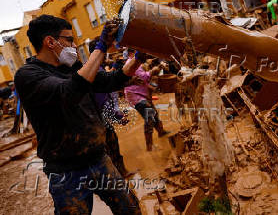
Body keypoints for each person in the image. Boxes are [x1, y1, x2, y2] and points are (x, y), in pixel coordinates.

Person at [14, 15, 146, 215]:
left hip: (99, 159)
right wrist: (101, 46)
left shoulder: (72, 67)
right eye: (69, 39)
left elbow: (112, 80)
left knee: (131, 210)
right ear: (50, 41)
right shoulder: (28, 75)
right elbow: (69, 91)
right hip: (65, 171)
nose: (74, 45)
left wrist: (138, 58)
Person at [88, 38, 133, 179]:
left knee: (113, 148)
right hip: (100, 122)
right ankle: (117, 178)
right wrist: (117, 116)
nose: (107, 54)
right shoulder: (95, 72)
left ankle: (121, 175)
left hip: (102, 119)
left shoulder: (98, 69)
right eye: (105, 50)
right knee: (110, 150)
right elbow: (102, 101)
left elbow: (110, 96)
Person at [124, 57, 169, 151]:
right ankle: (149, 145)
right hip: (135, 95)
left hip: (141, 92)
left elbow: (148, 83)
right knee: (149, 116)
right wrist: (158, 68)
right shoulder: (133, 63)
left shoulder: (137, 63)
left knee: (154, 113)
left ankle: (161, 132)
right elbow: (146, 77)